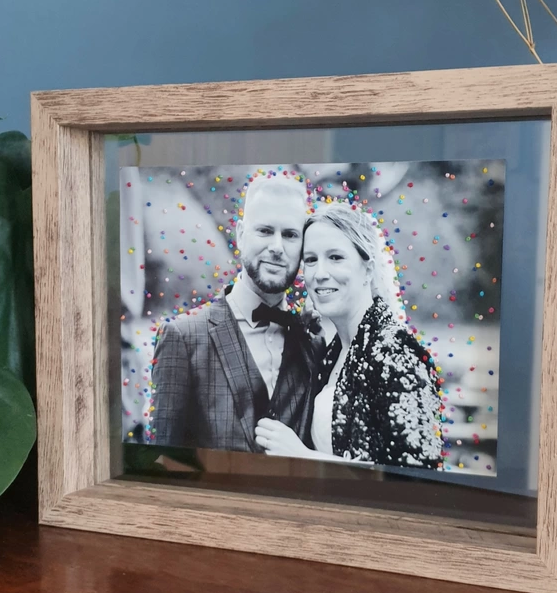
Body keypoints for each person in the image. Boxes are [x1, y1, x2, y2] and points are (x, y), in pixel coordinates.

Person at [255, 202, 444, 469]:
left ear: (368, 268)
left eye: (335, 257)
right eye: (311, 260)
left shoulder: (396, 352)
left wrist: (304, 457)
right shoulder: (333, 351)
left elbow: (417, 477)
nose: (320, 274)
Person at [151, 173, 322, 451]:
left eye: (290, 235)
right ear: (241, 234)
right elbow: (160, 463)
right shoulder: (182, 337)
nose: (277, 247)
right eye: (265, 231)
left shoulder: (313, 343)